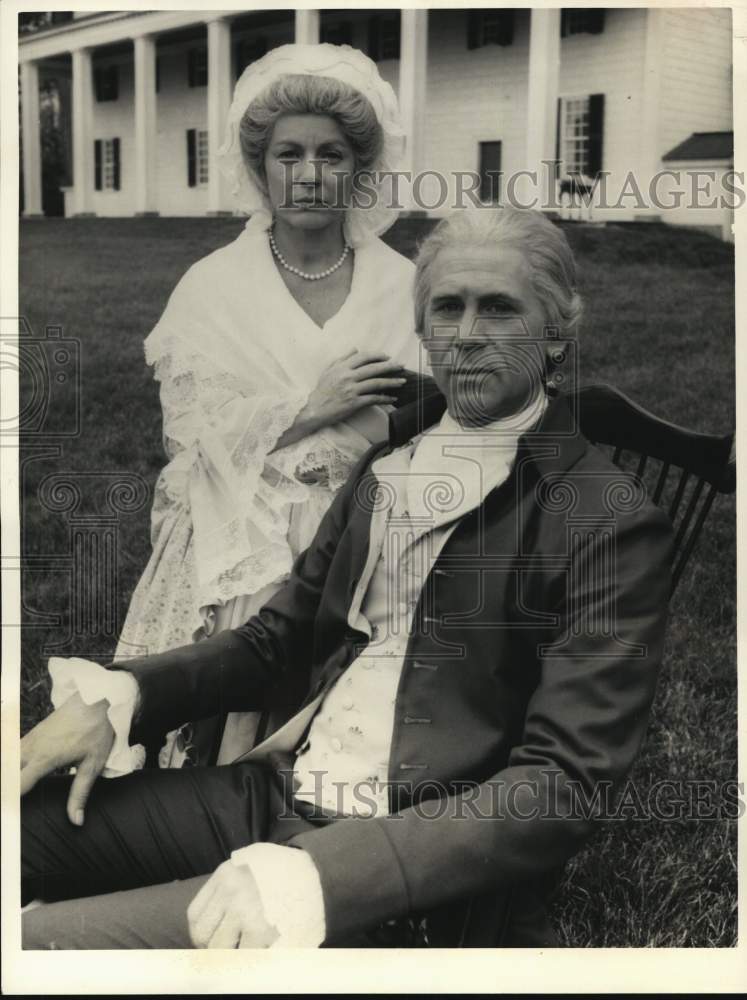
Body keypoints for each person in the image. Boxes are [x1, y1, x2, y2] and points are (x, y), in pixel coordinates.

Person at [21, 207, 673, 949]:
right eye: (445, 308)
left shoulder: (605, 518)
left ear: (556, 333)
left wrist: (324, 877)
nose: (465, 334)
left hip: (405, 870)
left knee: (44, 946)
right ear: (421, 330)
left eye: (499, 308)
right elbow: (277, 642)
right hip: (273, 795)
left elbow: (565, 782)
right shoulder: (390, 464)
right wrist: (124, 697)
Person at [114, 42, 424, 767]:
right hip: (246, 525)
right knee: (258, 587)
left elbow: (437, 415)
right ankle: (224, 774)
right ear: (260, 168)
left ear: (360, 169)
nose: (310, 175)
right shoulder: (213, 285)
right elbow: (191, 435)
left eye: (332, 155)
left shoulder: (402, 282)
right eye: (289, 155)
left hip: (370, 526)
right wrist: (308, 408)